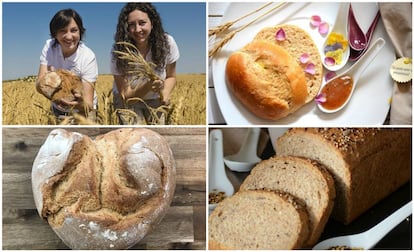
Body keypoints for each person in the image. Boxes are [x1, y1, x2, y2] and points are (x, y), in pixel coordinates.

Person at [111, 3, 180, 125]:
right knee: (132, 134)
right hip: (127, 101)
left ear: (152, 23)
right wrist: (148, 85)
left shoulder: (167, 43)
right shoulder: (119, 50)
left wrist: (164, 94)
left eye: (142, 23)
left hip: (155, 98)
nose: (137, 29)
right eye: (131, 25)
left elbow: (171, 76)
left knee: (158, 131)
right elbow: (126, 95)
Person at [36, 8, 98, 122]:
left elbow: (88, 104)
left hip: (84, 112)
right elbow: (39, 85)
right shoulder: (49, 47)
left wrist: (79, 103)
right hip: (57, 109)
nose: (69, 37)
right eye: (63, 31)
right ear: (55, 34)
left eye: (74, 30)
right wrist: (57, 98)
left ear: (80, 31)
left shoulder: (88, 57)